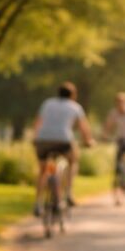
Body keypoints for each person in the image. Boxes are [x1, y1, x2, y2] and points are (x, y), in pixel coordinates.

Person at [32, 81, 94, 215]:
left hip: (43, 140)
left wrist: (35, 138)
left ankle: (38, 203)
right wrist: (88, 141)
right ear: (73, 95)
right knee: (73, 161)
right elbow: (84, 128)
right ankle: (68, 193)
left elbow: (38, 122)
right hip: (63, 140)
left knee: (43, 171)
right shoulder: (75, 107)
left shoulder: (47, 103)